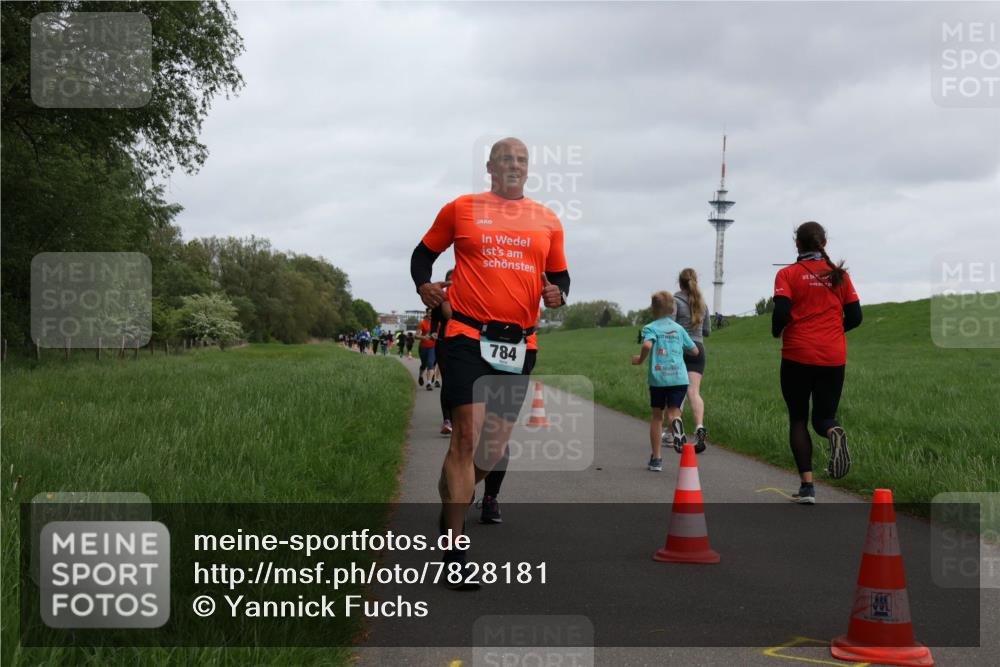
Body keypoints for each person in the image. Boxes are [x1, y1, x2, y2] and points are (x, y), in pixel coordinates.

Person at [410, 137, 570, 588]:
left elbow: (559, 276)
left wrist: (559, 294)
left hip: (518, 344)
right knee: (466, 437)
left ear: (528, 168)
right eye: (505, 159)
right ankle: (455, 551)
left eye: (521, 159)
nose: (513, 166)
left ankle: (451, 507)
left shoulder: (548, 219)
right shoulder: (460, 208)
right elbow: (423, 254)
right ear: (490, 167)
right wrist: (425, 285)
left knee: (492, 450)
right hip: (465, 335)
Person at [772, 221, 862, 504]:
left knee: (798, 418)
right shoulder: (840, 277)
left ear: (797, 244)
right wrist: (832, 333)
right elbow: (856, 316)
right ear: (824, 242)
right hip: (833, 356)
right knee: (824, 417)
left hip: (797, 354)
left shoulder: (787, 274)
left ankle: (808, 487)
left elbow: (783, 312)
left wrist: (777, 331)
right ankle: (834, 431)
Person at [633, 291, 700, 471]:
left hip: (659, 378)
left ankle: (656, 460)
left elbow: (647, 345)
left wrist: (639, 359)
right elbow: (695, 351)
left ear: (653, 309)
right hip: (679, 377)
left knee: (657, 417)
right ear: (672, 309)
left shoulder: (650, 327)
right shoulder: (679, 329)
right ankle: (677, 426)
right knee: (673, 413)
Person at [672, 268, 711, 453]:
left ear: (679, 283)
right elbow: (707, 331)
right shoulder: (702, 304)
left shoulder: (675, 301)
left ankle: (672, 432)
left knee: (676, 390)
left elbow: (670, 326)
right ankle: (699, 427)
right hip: (698, 349)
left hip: (679, 349)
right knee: (693, 392)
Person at [416, 310, 437, 390]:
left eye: (432, 313)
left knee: (430, 363)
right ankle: (420, 376)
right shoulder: (423, 323)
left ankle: (429, 383)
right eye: (429, 313)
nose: (431, 314)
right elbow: (416, 335)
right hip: (423, 347)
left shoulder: (437, 323)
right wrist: (424, 337)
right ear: (427, 313)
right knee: (424, 364)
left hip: (433, 347)